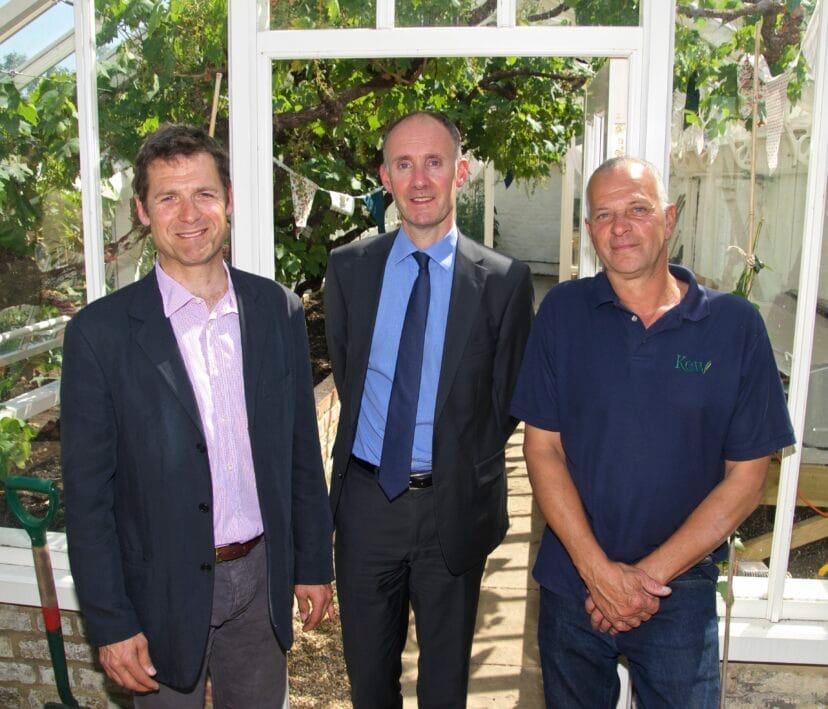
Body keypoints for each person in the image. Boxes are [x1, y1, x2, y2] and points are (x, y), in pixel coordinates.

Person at [61, 124, 334, 706]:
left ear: (229, 200)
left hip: (259, 583)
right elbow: (87, 499)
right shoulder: (99, 334)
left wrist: (313, 562)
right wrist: (110, 621)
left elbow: (299, 455)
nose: (189, 213)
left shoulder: (275, 310)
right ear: (142, 210)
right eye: (168, 197)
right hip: (158, 590)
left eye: (204, 194)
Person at [510, 156, 795, 707]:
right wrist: (598, 574)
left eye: (637, 210)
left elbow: (748, 477)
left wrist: (639, 582)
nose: (621, 227)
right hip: (573, 581)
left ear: (669, 218)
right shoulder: (563, 313)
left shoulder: (734, 327)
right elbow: (542, 449)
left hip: (679, 589)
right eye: (604, 214)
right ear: (589, 229)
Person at [324, 110, 534, 708]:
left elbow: (506, 402)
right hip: (366, 507)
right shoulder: (349, 270)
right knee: (369, 683)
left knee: (445, 689)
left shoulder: (502, 281)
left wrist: (457, 462)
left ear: (460, 172)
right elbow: (348, 369)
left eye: (434, 163)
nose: (419, 180)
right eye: (404, 164)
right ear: (385, 177)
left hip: (454, 511)